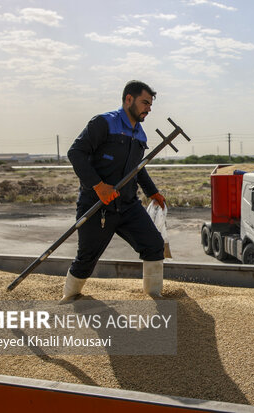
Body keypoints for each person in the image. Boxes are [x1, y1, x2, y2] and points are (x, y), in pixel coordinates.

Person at [62, 80, 167, 302]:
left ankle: (154, 295)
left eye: (150, 104)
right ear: (128, 99)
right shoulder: (103, 123)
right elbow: (76, 153)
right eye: (144, 102)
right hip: (97, 205)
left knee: (154, 245)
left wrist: (152, 192)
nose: (148, 108)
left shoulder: (140, 134)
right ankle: (70, 297)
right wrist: (99, 186)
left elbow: (137, 170)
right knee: (86, 258)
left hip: (128, 205)